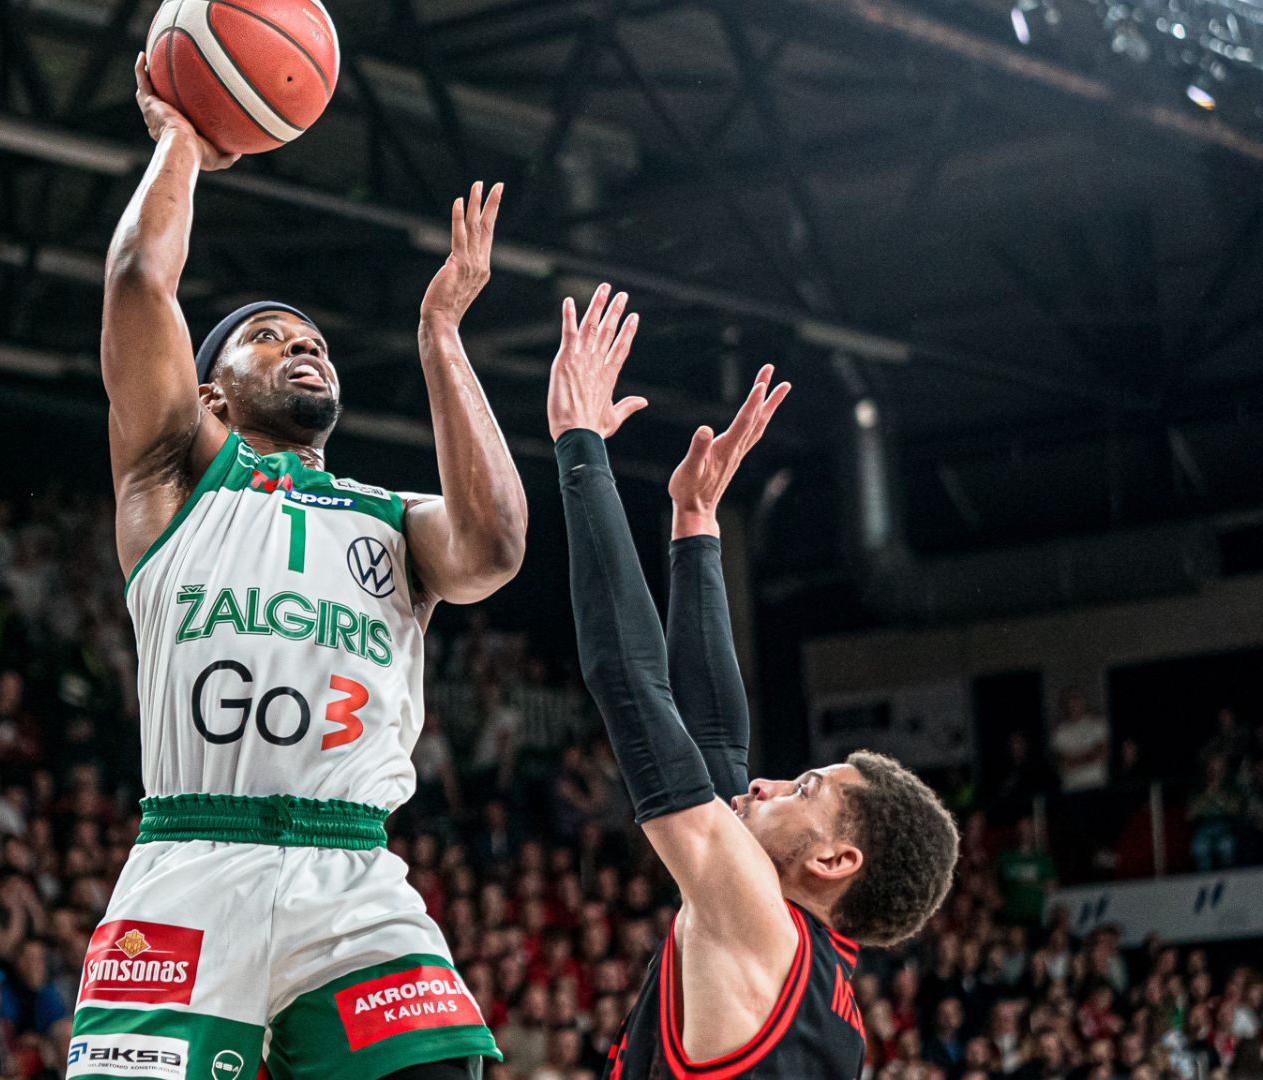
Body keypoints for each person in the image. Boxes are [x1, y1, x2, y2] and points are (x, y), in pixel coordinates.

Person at [70, 53, 528, 1080]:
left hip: (352, 876)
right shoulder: (172, 477)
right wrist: (182, 142)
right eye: (269, 338)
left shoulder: (392, 521)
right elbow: (139, 282)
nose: (301, 346)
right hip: (194, 861)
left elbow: (496, 546)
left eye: (312, 340)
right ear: (212, 395)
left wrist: (441, 336)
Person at [545, 293, 958, 1079]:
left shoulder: (761, 927)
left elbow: (632, 687)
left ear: (833, 861)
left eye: (804, 789)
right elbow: (716, 749)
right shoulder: (820, 988)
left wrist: (580, 447)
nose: (768, 785)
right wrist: (695, 521)